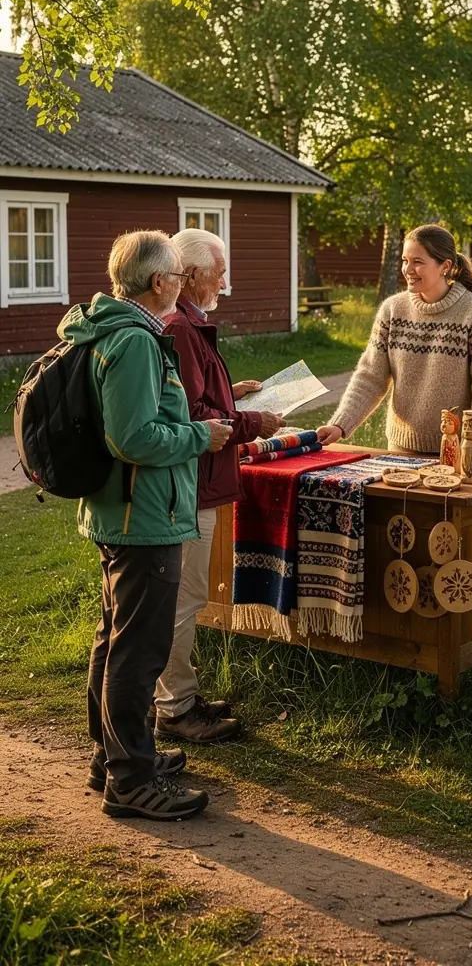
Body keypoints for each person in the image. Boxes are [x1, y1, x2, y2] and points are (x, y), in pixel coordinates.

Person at [60, 230, 233, 820]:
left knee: (116, 641)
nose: (183, 285)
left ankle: (111, 759)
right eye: (179, 277)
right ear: (159, 281)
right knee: (138, 652)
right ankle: (131, 780)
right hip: (144, 516)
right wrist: (199, 436)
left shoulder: (110, 328)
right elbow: (132, 438)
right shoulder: (135, 340)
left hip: (122, 510)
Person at [154, 227, 284, 743]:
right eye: (219, 273)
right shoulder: (181, 327)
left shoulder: (187, 323)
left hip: (197, 481)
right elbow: (188, 414)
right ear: (190, 275)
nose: (225, 284)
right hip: (192, 483)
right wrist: (252, 422)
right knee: (183, 599)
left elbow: (194, 396)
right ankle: (174, 708)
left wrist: (232, 393)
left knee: (184, 597)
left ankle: (177, 696)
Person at [318, 224, 472, 456]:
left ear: (445, 266)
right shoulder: (392, 310)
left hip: (458, 451)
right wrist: (339, 424)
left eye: (417, 262)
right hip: (400, 449)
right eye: (405, 260)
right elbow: (370, 377)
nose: (408, 269)